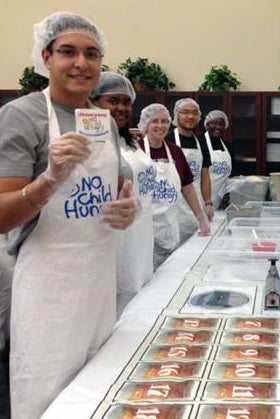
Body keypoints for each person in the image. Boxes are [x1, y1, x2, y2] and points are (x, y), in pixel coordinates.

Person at [0, 12, 139, 418]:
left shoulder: (102, 121)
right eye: (68, 52)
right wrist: (50, 179)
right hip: (49, 283)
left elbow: (112, 194)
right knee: (45, 395)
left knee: (95, 389)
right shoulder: (23, 116)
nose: (81, 63)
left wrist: (127, 211)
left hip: (98, 276)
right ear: (45, 57)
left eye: (92, 54)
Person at [90, 72, 155, 316]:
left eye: (126, 102)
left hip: (141, 234)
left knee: (139, 297)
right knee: (117, 306)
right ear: (94, 101)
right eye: (113, 101)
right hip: (114, 239)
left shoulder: (131, 142)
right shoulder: (93, 141)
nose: (121, 108)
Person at [137, 104, 210, 268]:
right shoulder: (136, 150)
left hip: (169, 227)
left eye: (164, 121)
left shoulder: (175, 152)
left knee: (167, 275)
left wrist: (201, 218)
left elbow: (187, 187)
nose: (160, 126)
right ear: (145, 125)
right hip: (143, 229)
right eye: (154, 121)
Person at [166, 98, 214, 243]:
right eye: (185, 112)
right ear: (176, 115)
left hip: (196, 205)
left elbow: (204, 175)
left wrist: (208, 203)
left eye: (194, 113)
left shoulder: (201, 142)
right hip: (172, 207)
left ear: (199, 117)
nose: (190, 116)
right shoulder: (168, 140)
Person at [202, 110, 232, 208]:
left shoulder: (228, 146)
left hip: (221, 201)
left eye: (221, 124)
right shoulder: (200, 142)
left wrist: (227, 196)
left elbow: (231, 175)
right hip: (202, 200)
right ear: (207, 125)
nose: (218, 127)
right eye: (214, 123)